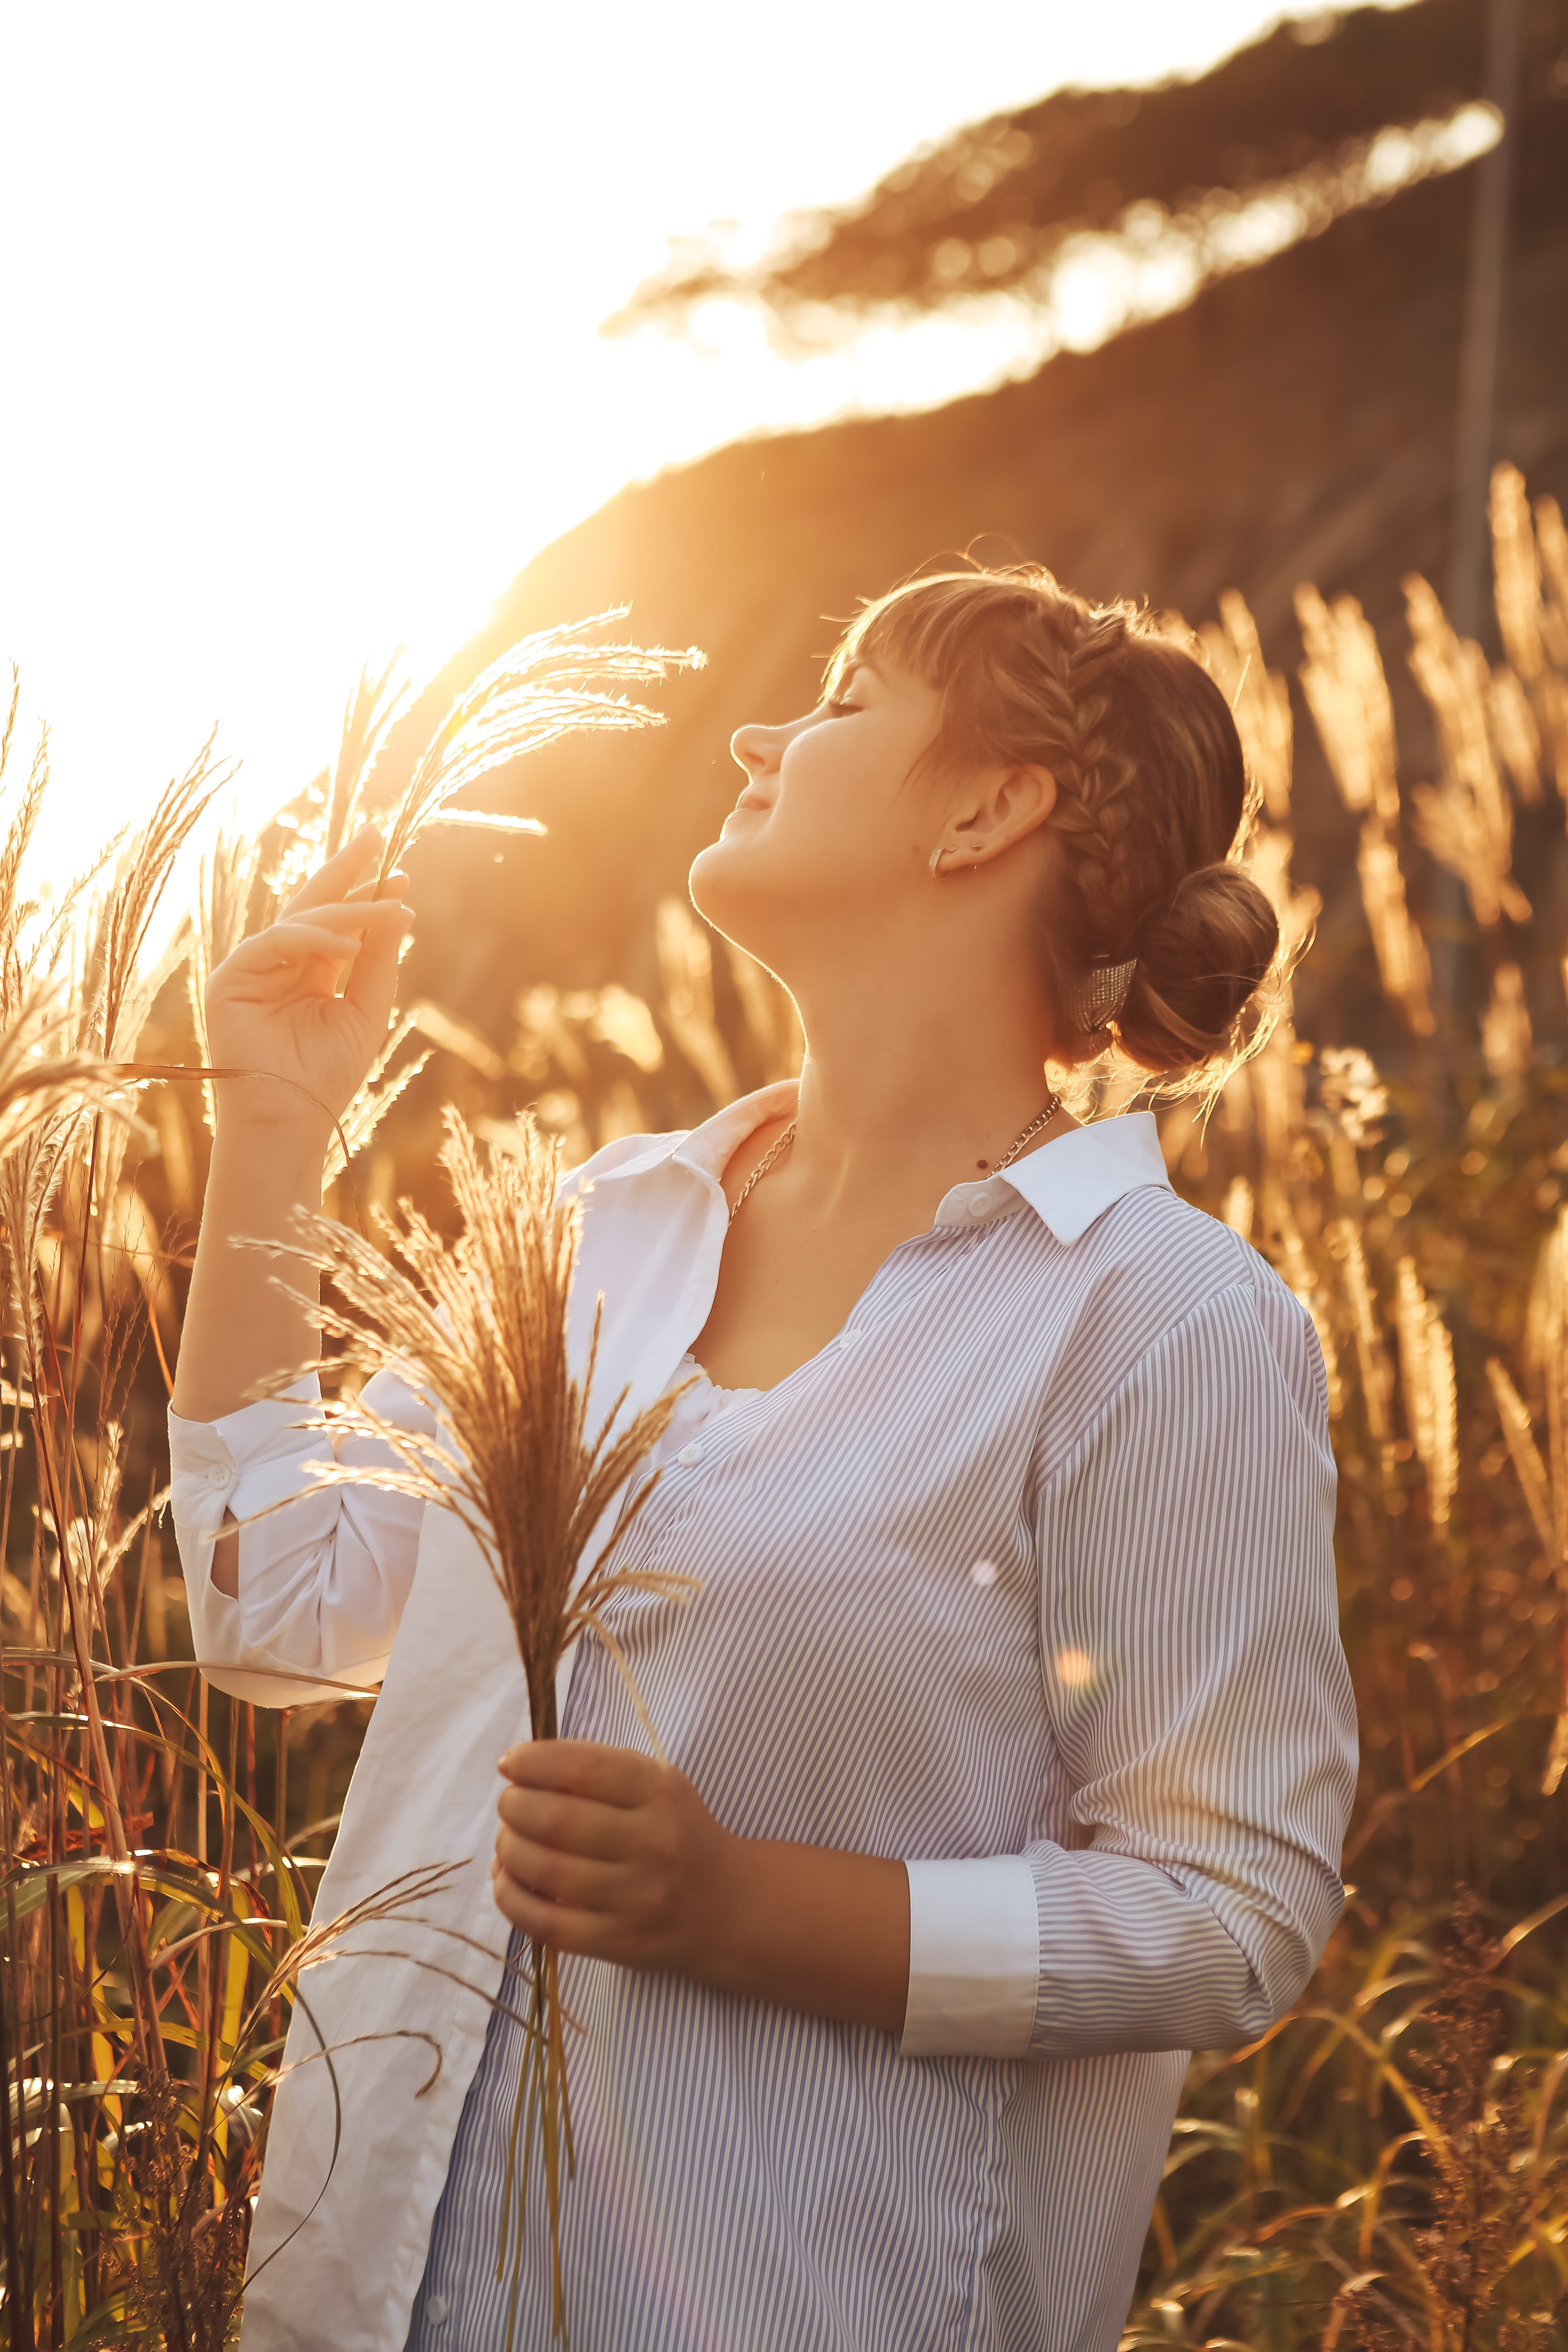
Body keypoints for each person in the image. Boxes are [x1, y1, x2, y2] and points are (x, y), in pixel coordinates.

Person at [170, 565, 1357, 2352]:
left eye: (841, 700)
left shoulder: (1164, 1319)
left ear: (988, 807)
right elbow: (276, 1603)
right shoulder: (590, 1235)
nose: (757, 735)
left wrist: (747, 1907)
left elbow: (1236, 1911)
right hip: (374, 2299)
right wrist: (269, 1130)